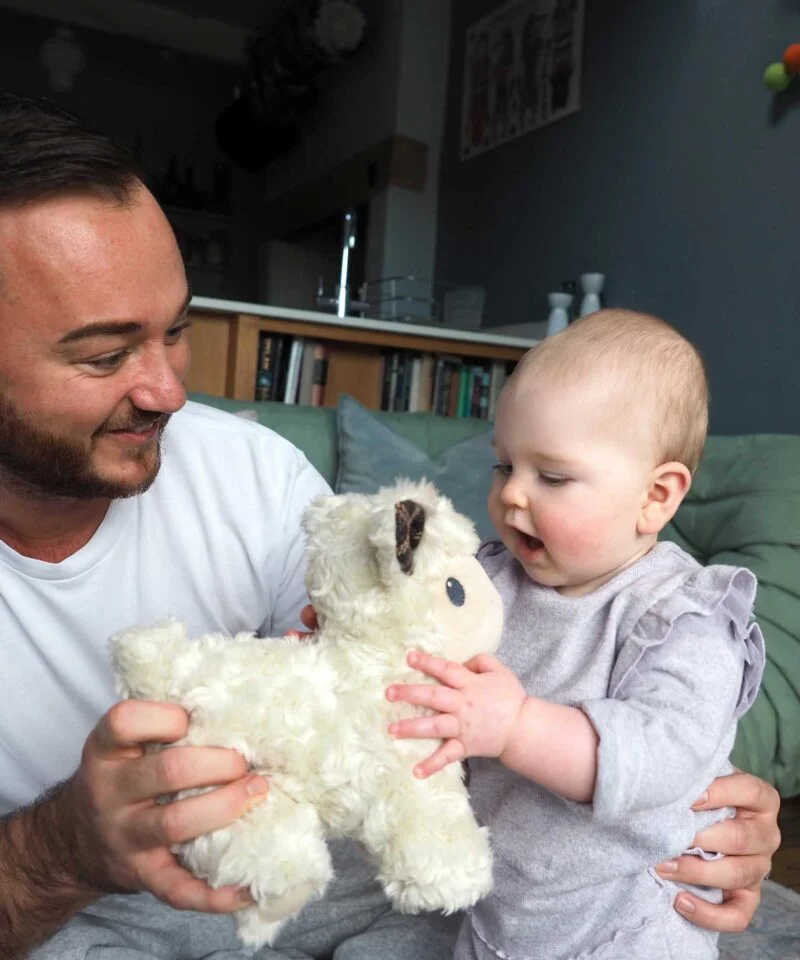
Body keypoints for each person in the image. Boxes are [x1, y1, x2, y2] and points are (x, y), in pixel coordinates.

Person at [0, 94, 779, 960]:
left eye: (177, 332)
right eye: (105, 355)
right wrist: (58, 851)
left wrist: (711, 800)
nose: (170, 392)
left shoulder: (245, 472)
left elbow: (382, 668)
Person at [386, 310, 777, 959]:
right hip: (506, 899)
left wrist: (515, 728)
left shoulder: (685, 618)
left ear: (656, 496)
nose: (512, 495)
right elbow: (415, 655)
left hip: (629, 917)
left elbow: (661, 757)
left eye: (553, 477)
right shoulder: (491, 579)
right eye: (502, 465)